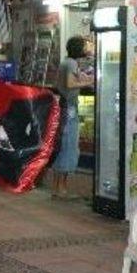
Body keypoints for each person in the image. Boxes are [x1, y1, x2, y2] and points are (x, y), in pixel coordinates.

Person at [50, 36, 93, 199]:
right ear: (79, 49)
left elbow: (71, 80)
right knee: (69, 148)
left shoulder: (65, 62)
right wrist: (89, 82)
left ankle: (56, 187)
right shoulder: (72, 63)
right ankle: (62, 189)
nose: (87, 48)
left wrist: (85, 80)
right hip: (69, 109)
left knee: (62, 146)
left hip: (63, 108)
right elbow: (70, 83)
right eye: (85, 46)